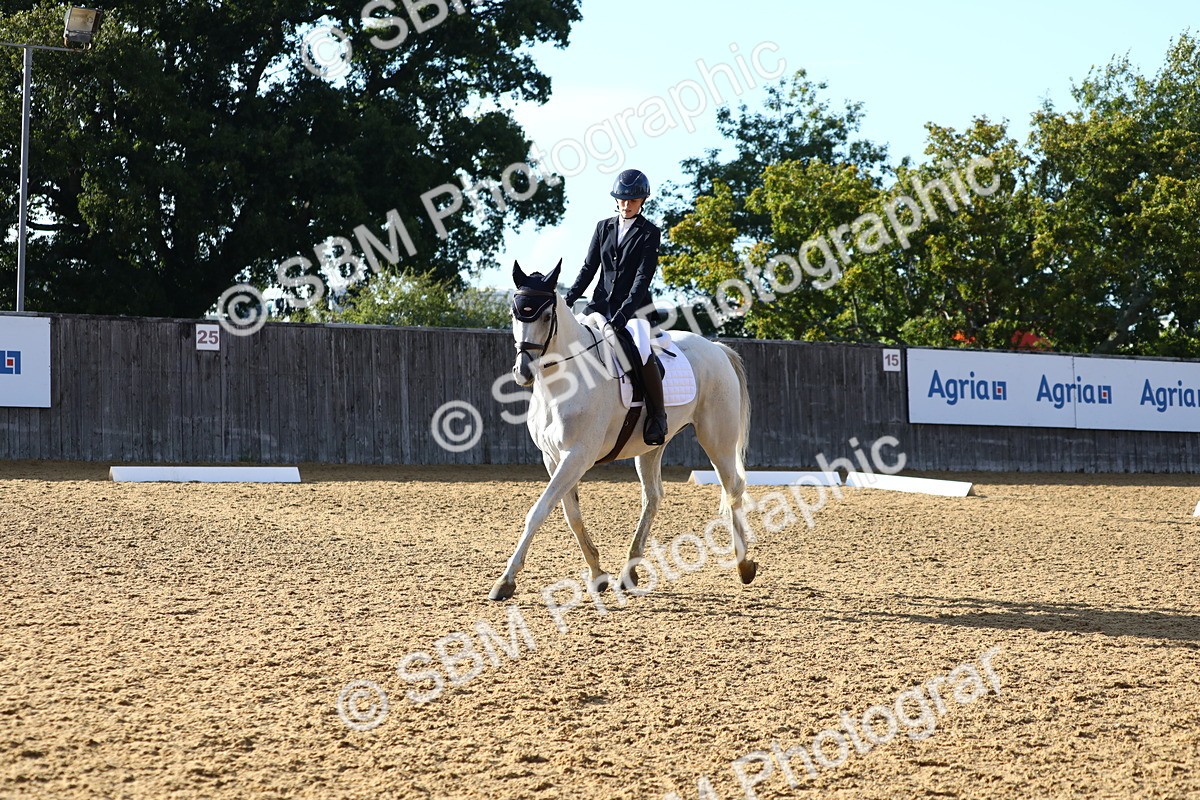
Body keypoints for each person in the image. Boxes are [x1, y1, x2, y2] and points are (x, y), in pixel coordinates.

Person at [564, 168, 669, 446]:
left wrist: (623, 314)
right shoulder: (603, 227)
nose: (626, 205)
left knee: (642, 347)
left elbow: (642, 279)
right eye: (622, 199)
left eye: (632, 200)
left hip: (634, 310)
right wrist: (570, 298)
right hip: (599, 305)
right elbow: (589, 268)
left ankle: (657, 416)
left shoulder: (650, 233)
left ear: (642, 201)